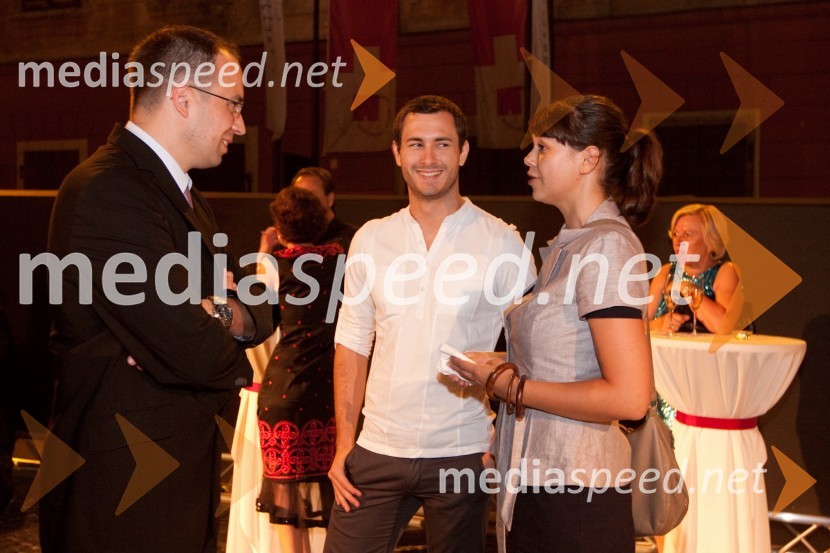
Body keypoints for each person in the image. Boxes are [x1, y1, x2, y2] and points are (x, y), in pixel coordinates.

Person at [43, 25, 273, 553]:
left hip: (170, 479)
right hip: (123, 491)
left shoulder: (181, 192)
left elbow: (262, 307)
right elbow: (193, 350)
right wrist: (223, 315)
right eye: (234, 105)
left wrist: (216, 313)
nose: (240, 124)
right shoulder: (109, 189)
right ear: (183, 97)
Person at [324, 95, 536, 553]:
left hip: (463, 451)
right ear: (397, 154)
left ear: (462, 152)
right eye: (415, 144)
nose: (428, 158)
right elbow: (353, 342)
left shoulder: (502, 242)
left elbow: (532, 352)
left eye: (442, 144)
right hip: (376, 448)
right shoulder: (371, 238)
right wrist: (345, 443)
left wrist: (504, 434)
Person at [450, 95, 660, 553]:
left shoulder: (606, 248)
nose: (528, 158)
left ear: (589, 159)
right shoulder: (574, 245)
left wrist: (506, 385)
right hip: (543, 485)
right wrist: (501, 363)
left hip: (575, 497)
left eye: (542, 147)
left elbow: (629, 397)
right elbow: (571, 361)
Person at [255, 187, 343, 552]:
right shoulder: (342, 262)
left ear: (280, 227)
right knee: (338, 494)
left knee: (286, 499)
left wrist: (264, 249)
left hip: (284, 386)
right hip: (331, 391)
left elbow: (255, 309)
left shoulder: (275, 265)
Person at [647, 203, 740, 334]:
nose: (677, 240)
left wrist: (686, 288)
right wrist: (659, 324)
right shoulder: (666, 272)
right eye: (675, 234)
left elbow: (722, 326)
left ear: (710, 240)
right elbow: (638, 325)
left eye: (687, 234)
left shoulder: (725, 271)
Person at [290, 167, 356, 250]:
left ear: (330, 199)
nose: (303, 200)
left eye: (310, 195)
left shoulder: (352, 239)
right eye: (297, 195)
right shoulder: (284, 240)